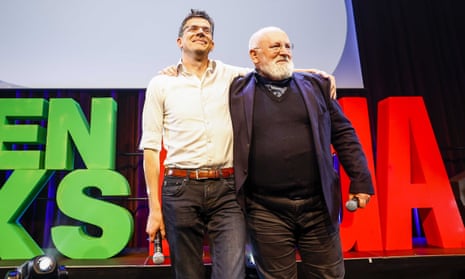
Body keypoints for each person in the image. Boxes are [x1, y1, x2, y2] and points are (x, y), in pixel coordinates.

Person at [139, 9, 336, 279]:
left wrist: (315, 75)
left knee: (233, 274)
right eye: (193, 29)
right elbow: (150, 148)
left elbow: (271, 67)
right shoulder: (161, 83)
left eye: (206, 30)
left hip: (227, 189)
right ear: (179, 42)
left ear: (212, 43)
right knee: (187, 274)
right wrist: (154, 210)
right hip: (180, 188)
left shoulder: (233, 76)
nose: (200, 32)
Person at [229, 26, 375, 279]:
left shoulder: (317, 86)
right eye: (275, 47)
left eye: (287, 46)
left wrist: (360, 178)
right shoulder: (236, 91)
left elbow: (343, 134)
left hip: (317, 206)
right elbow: (201, 75)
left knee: (328, 276)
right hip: (265, 210)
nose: (284, 51)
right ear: (254, 55)